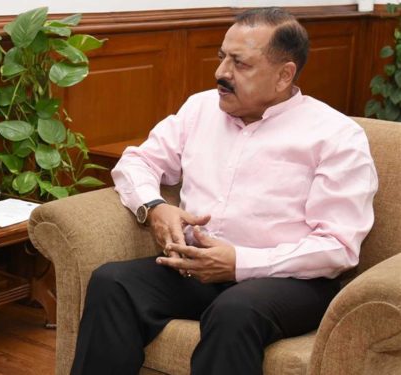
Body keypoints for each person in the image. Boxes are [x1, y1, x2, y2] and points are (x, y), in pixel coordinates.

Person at [71, 7, 378, 375]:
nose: (220, 73)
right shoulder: (200, 109)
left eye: (240, 63)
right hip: (198, 267)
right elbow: (137, 162)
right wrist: (154, 206)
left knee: (235, 310)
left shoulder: (336, 136)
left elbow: (338, 248)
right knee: (113, 282)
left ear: (284, 75)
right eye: (221, 58)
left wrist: (239, 263)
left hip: (290, 282)